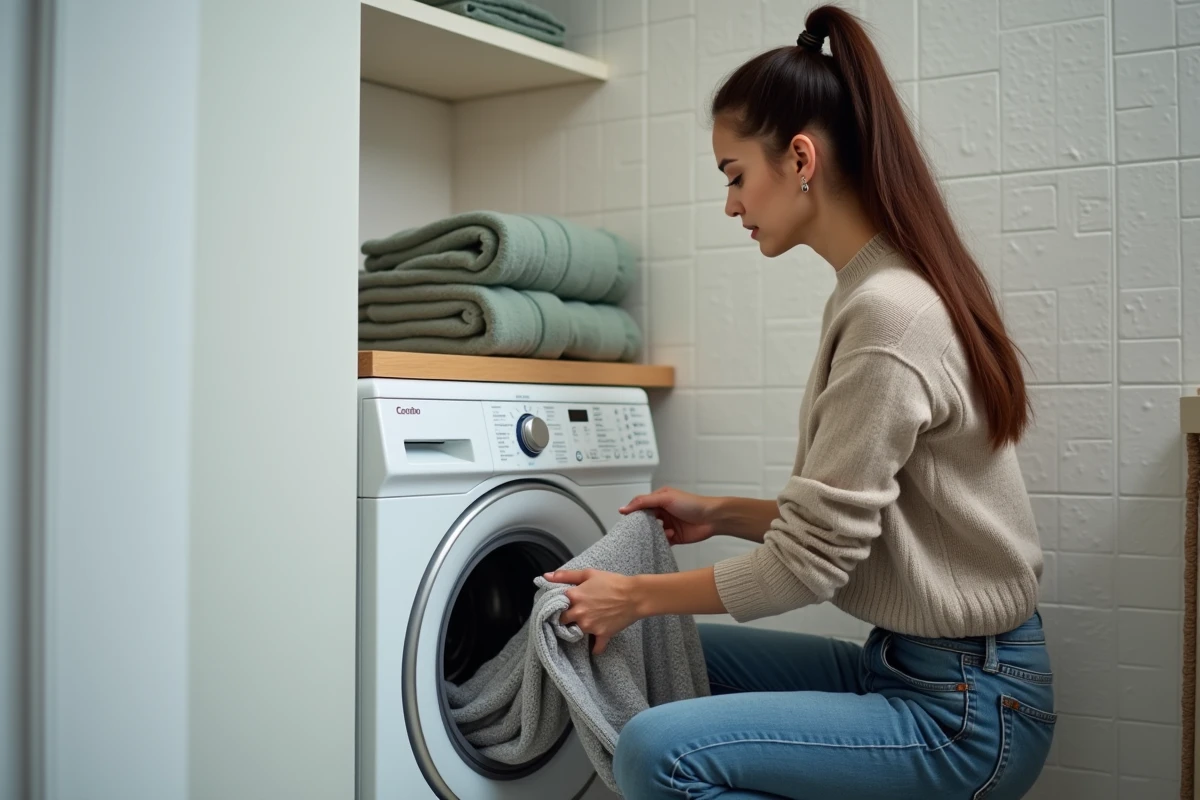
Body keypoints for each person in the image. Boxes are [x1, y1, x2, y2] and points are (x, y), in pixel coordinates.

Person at [541, 5, 1054, 799]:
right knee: (669, 658)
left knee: (655, 752)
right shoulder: (878, 290)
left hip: (966, 712)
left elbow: (808, 568)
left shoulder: (889, 313)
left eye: (735, 175)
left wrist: (635, 595)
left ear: (801, 158)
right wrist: (719, 512)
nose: (731, 204)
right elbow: (857, 521)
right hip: (912, 667)